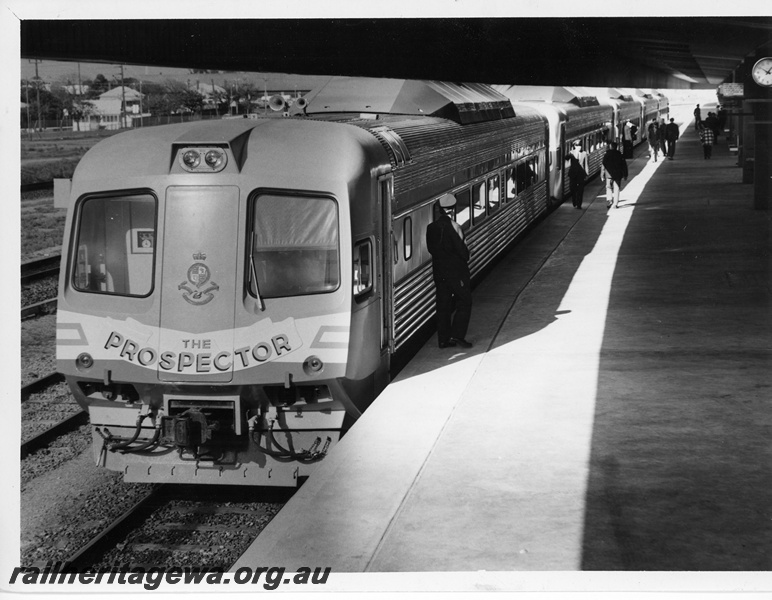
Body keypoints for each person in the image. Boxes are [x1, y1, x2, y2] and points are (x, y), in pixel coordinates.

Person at [426, 193, 473, 349]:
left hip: (439, 274)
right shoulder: (455, 227)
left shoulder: (431, 228)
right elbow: (464, 254)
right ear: (452, 210)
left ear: (440, 210)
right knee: (464, 301)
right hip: (456, 274)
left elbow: (431, 249)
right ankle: (458, 335)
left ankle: (443, 340)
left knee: (443, 305)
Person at [601, 141, 628, 209]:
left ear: (610, 147)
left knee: (608, 187)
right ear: (616, 147)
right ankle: (615, 204)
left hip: (609, 176)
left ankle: (610, 200)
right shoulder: (620, 155)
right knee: (616, 189)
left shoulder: (607, 155)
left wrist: (602, 175)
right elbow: (624, 166)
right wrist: (625, 175)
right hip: (618, 175)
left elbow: (603, 165)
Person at [566, 140, 589, 209]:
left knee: (580, 190)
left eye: (580, 146)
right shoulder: (571, 153)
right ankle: (574, 201)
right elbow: (566, 158)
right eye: (577, 146)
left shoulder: (584, 153)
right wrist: (569, 153)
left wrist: (587, 174)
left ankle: (579, 204)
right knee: (573, 189)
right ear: (574, 146)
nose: (579, 147)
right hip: (573, 174)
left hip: (581, 174)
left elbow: (586, 164)